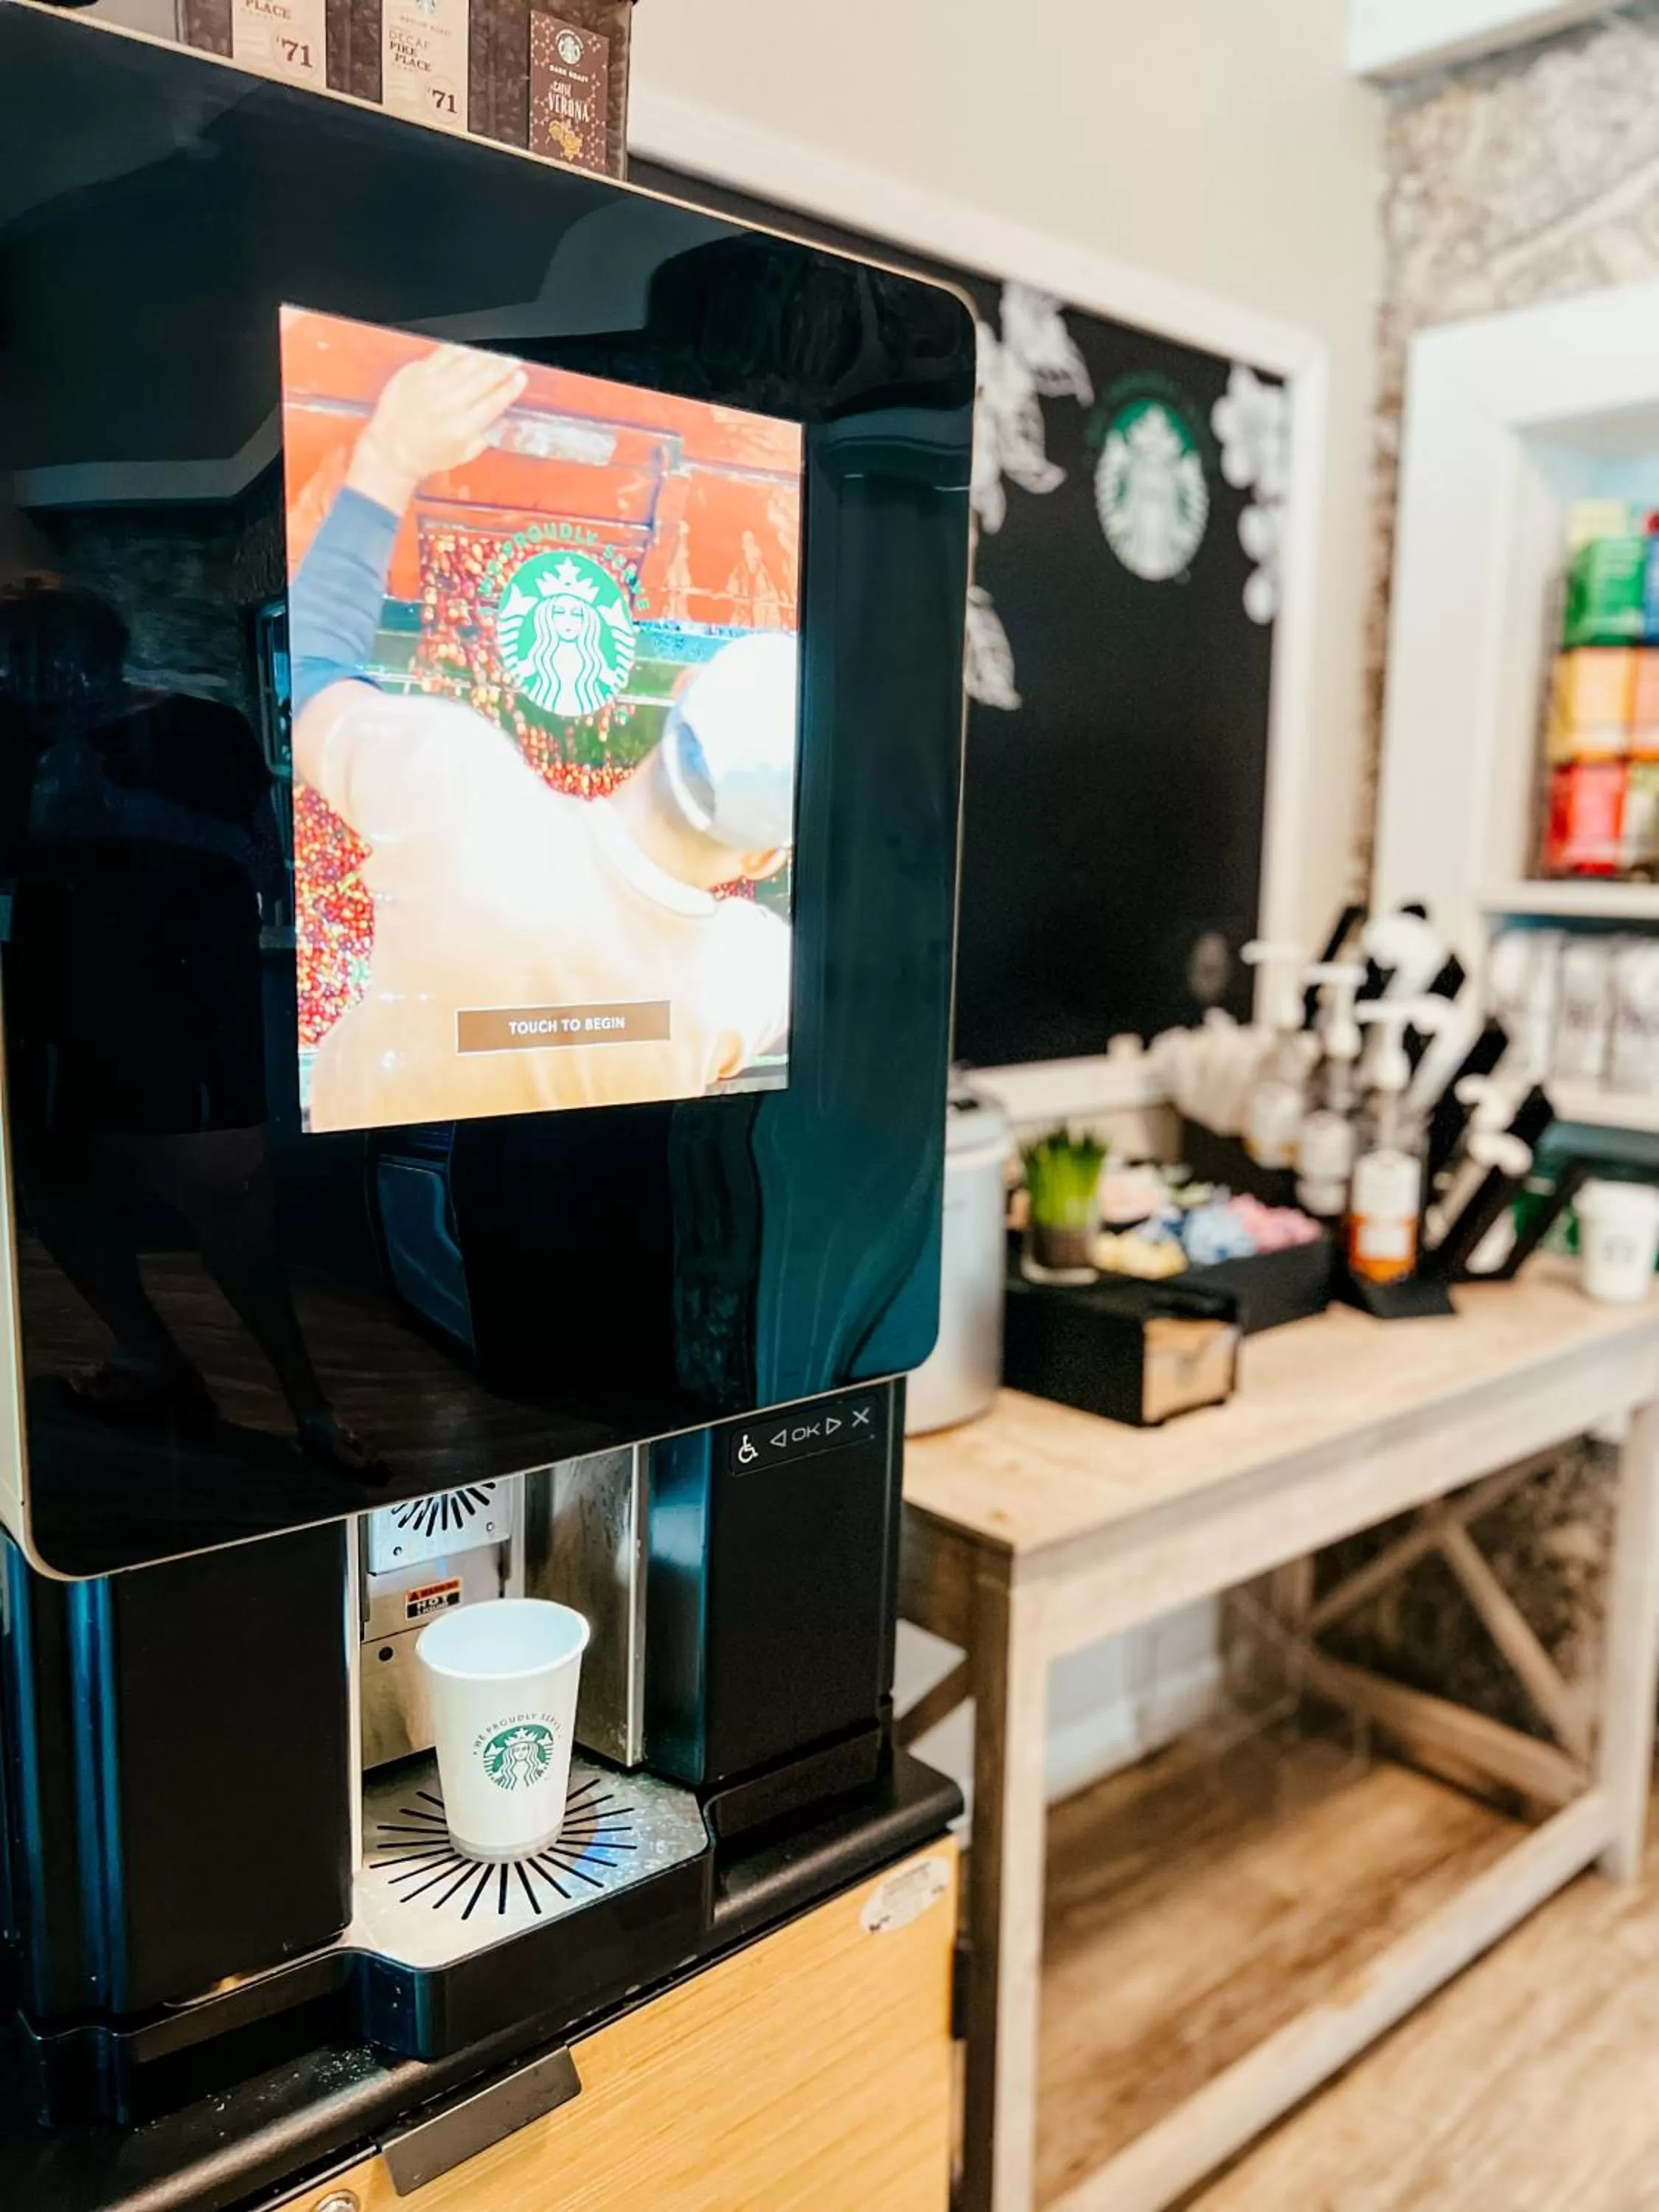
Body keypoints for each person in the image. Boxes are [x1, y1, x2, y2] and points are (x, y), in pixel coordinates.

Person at [291, 343, 798, 1132]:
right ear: (767, 860)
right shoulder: (754, 976)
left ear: (683, 688)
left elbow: (308, 675)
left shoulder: (453, 789)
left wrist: (389, 458)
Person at [0, 574, 372, 1473]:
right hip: (66, 1005)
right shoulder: (19, 746)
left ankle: (313, 1409)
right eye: (14, 662)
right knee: (54, 1189)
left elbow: (262, 864)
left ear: (95, 655)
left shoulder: (200, 730)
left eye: (37, 657)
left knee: (230, 1207)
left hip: (186, 1007)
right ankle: (153, 1359)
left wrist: (105, 807)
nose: (27, 678)